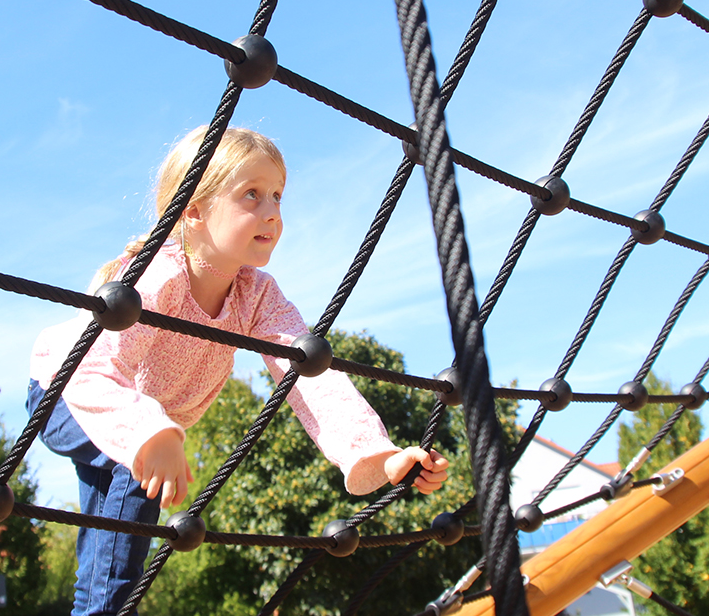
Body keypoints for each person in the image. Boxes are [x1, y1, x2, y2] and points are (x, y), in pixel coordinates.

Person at [26, 125, 451, 616]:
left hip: (143, 425)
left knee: (108, 550)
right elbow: (96, 367)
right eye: (252, 194)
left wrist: (379, 454)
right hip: (66, 390)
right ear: (193, 210)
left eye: (277, 196)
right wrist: (147, 433)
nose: (272, 212)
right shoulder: (159, 276)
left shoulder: (257, 294)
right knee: (133, 489)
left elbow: (309, 372)